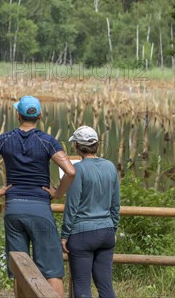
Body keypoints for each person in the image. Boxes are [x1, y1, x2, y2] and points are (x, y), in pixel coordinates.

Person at [0, 95, 76, 298]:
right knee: (52, 270)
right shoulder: (48, 142)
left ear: (17, 114)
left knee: (20, 269)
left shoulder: (4, 139)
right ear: (40, 116)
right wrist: (57, 193)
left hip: (14, 209)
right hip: (40, 210)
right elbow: (70, 172)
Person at [61, 126, 120, 298]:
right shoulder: (110, 167)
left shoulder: (76, 170)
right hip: (106, 231)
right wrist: (113, 228)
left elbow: (72, 206)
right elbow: (116, 204)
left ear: (77, 146)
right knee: (106, 285)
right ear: (97, 145)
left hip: (82, 234)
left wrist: (64, 234)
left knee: (82, 287)